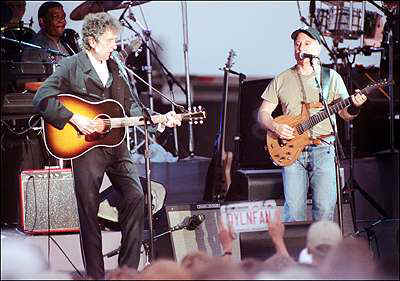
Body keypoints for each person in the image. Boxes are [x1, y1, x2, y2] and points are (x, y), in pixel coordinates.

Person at [32, 12, 182, 279]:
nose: (115, 45)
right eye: (110, 40)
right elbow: (42, 96)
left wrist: (157, 120)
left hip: (116, 143)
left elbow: (131, 106)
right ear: (91, 41)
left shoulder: (116, 68)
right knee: (88, 211)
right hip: (85, 146)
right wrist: (74, 118)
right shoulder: (71, 65)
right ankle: (96, 276)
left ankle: (126, 271)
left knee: (136, 196)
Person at [258, 27, 367, 222]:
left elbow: (345, 114)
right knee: (294, 212)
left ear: (317, 48)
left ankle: (321, 252)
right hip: (292, 152)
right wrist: (275, 126)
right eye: (297, 44)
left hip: (324, 149)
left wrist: (355, 107)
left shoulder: (330, 77)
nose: (300, 48)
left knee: (325, 211)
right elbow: (263, 113)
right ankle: (295, 252)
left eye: (306, 43)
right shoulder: (282, 78)